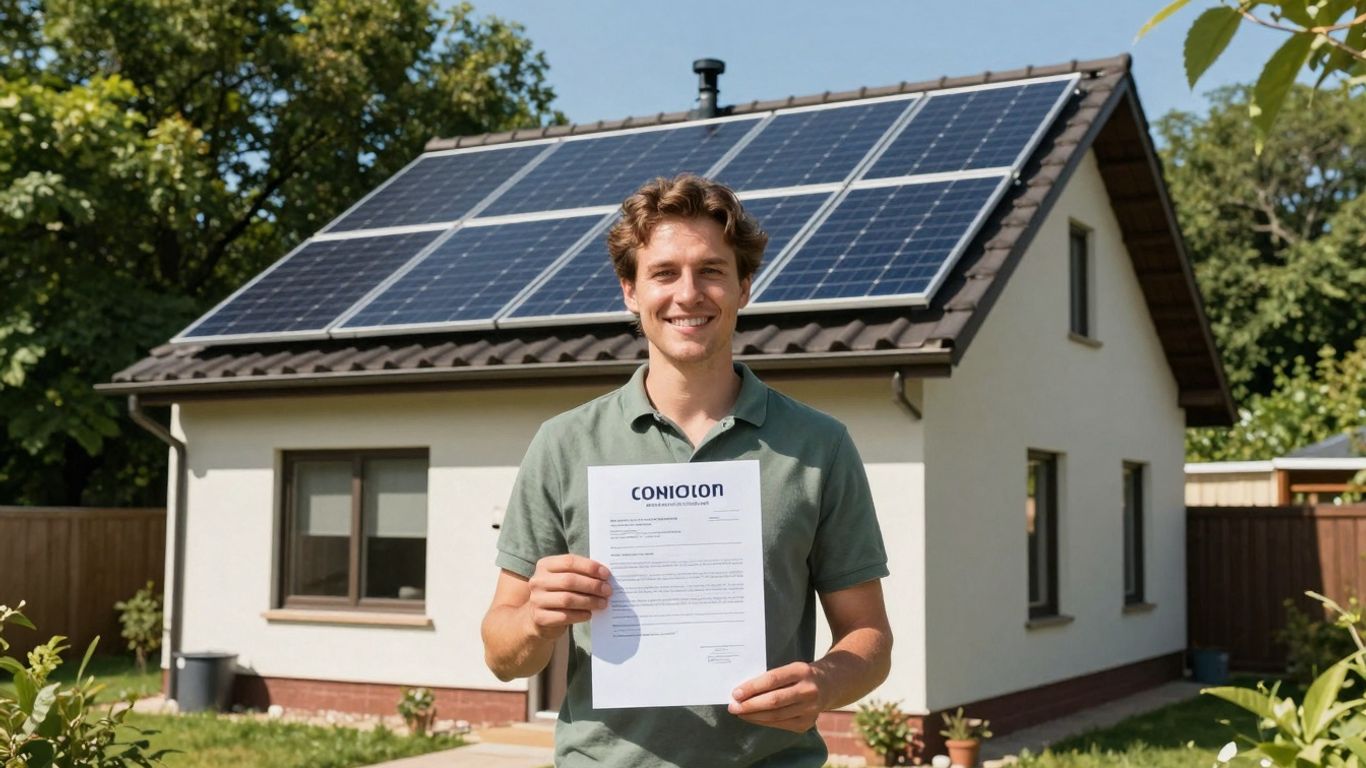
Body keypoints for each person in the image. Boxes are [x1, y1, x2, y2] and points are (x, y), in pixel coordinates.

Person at [481, 174, 892, 767]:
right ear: (630, 291)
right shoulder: (564, 445)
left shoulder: (818, 446)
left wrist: (825, 683)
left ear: (744, 286)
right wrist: (537, 621)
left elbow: (870, 638)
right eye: (665, 272)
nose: (689, 293)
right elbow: (501, 656)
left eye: (712, 271)